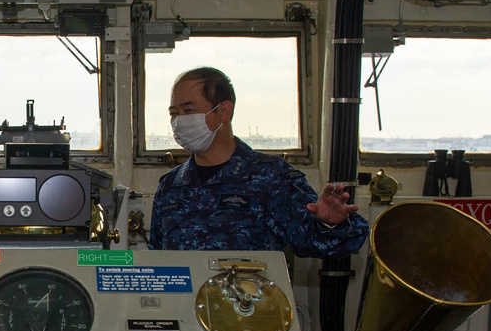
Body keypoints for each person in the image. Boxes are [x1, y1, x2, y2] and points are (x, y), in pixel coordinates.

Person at [149, 66, 368, 256]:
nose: (179, 120)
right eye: (174, 113)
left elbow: (312, 242)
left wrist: (329, 224)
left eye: (188, 110)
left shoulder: (270, 176)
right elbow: (158, 258)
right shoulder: (170, 185)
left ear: (224, 111)